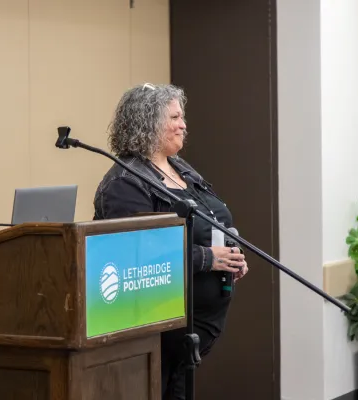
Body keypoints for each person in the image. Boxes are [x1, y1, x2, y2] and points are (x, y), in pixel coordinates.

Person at [92, 83, 249, 399]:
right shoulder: (126, 182)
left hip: (192, 328)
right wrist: (209, 258)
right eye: (175, 117)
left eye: (182, 116)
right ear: (148, 123)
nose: (184, 124)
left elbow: (210, 217)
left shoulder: (179, 167)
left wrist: (232, 251)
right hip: (156, 329)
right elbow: (135, 253)